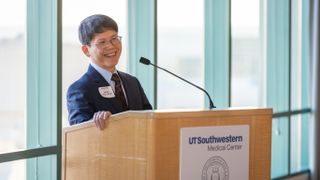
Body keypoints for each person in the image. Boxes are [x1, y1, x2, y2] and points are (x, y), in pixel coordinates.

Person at [67, 14, 152, 130]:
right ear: (86, 50)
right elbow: (79, 133)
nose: (111, 46)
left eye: (114, 39)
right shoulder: (80, 89)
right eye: (102, 42)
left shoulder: (132, 82)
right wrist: (94, 122)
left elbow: (150, 120)